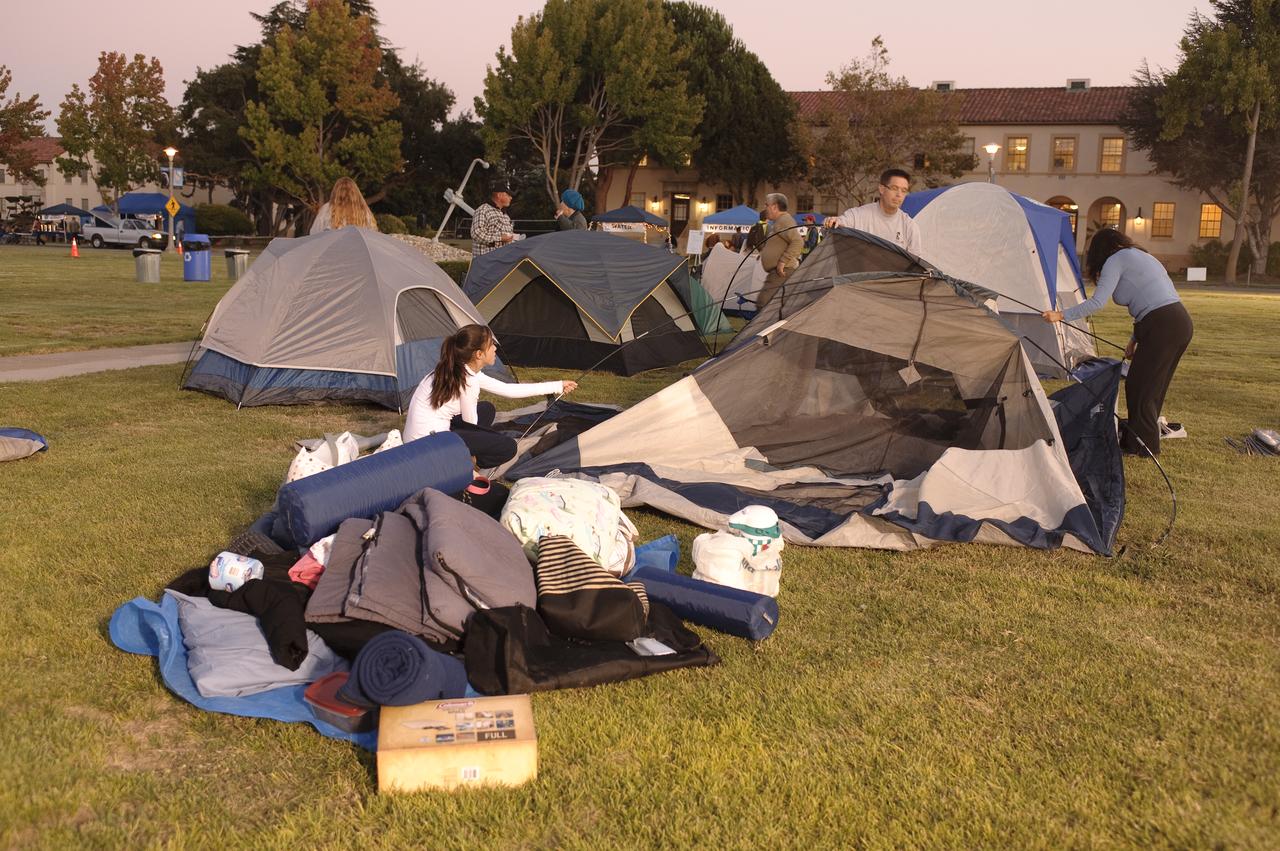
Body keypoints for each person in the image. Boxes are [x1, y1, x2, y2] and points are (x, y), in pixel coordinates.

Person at [1042, 228, 1193, 457]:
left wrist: (1060, 315)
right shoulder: (1141, 255)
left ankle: (1142, 446)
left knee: (1139, 385)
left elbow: (1096, 303)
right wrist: (1134, 339)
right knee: (1152, 387)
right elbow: (1149, 298)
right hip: (1177, 322)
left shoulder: (1116, 259)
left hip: (1161, 324)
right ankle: (1141, 439)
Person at [403, 325, 578, 468]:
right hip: (429, 448)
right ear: (479, 354)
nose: (495, 348)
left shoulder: (457, 367)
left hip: (419, 437)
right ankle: (469, 464)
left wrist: (558, 385)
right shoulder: (468, 382)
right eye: (491, 344)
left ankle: (469, 451)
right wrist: (488, 442)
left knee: (487, 408)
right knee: (507, 447)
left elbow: (509, 390)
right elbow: (471, 425)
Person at [824, 168, 922, 256]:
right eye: (894, 188)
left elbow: (915, 263)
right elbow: (842, 221)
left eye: (904, 190)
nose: (899, 195)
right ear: (882, 189)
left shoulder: (909, 226)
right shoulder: (858, 215)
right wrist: (834, 221)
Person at [754, 193, 804, 308]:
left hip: (781, 272)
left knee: (763, 303)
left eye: (766, 205)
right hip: (778, 272)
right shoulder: (779, 222)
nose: (765, 208)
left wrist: (782, 261)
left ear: (774, 207)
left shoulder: (784, 220)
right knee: (775, 307)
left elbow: (798, 241)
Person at [310, 177, 378, 234]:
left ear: (335, 192)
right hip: (357, 248)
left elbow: (314, 233)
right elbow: (372, 235)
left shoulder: (327, 209)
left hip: (333, 248)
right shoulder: (364, 212)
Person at [471, 184, 517, 255]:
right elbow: (477, 233)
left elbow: (505, 238)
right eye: (508, 195)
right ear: (499, 195)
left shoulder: (505, 216)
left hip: (500, 261)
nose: (511, 198)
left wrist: (512, 238)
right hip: (486, 261)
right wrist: (500, 238)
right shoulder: (483, 210)